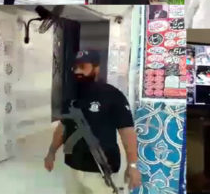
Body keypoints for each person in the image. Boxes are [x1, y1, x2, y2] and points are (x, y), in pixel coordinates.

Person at [44, 50, 142, 193]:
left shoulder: (112, 95)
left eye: (83, 67)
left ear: (96, 68)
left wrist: (132, 165)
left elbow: (127, 132)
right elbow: (63, 126)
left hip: (100, 171)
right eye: (75, 67)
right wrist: (51, 152)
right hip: (73, 167)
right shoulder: (71, 96)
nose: (77, 71)